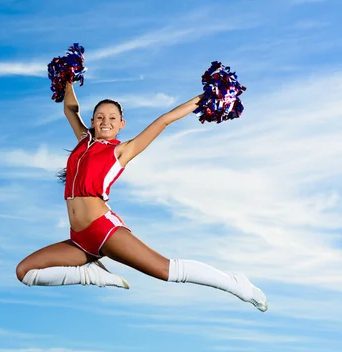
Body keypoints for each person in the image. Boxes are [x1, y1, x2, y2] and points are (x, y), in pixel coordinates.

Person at [15, 82, 268, 312]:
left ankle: (237, 285)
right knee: (25, 272)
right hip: (79, 239)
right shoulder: (83, 141)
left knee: (166, 269)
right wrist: (68, 80)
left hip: (103, 230)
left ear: (121, 124)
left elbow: (164, 120)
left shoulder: (122, 150)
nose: (106, 121)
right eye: (100, 117)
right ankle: (92, 275)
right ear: (92, 121)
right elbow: (70, 110)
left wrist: (207, 96)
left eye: (113, 118)